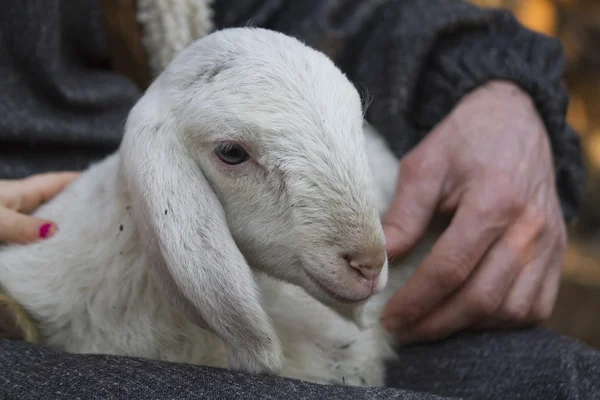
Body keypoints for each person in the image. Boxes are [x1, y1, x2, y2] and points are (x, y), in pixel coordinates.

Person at [0, 0, 595, 399]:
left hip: (288, 291)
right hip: (57, 305)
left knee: (574, 381)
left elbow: (305, 14)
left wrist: (495, 88)